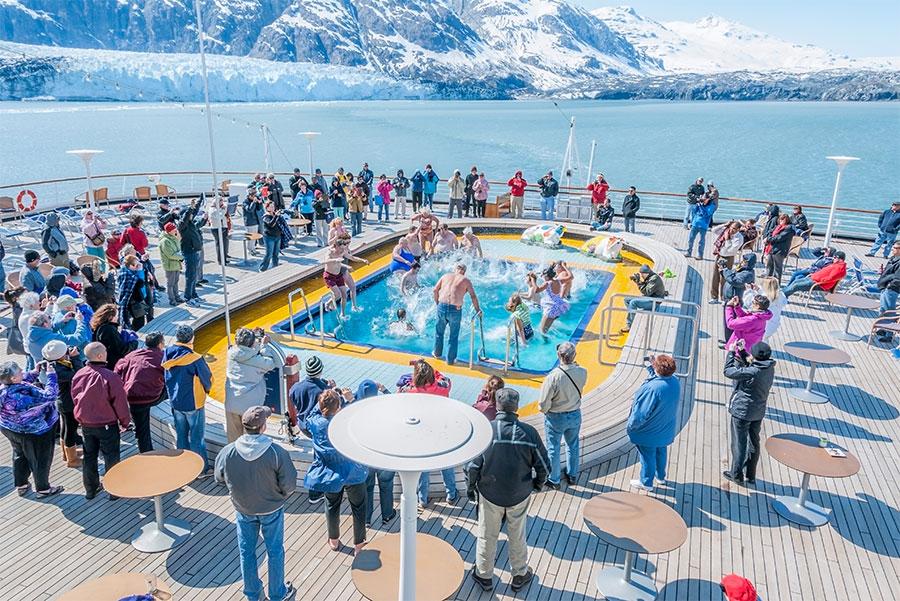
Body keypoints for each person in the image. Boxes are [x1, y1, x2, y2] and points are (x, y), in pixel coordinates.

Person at [467, 388, 547, 593]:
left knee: (487, 535)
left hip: (490, 493)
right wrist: (536, 485)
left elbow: (473, 467)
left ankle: (484, 575)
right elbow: (544, 467)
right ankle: (519, 574)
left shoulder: (487, 431)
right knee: (517, 535)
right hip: (519, 493)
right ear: (516, 407)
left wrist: (471, 489)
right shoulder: (529, 433)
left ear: (497, 405)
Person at [215, 406, 298, 601]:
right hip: (272, 509)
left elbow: (219, 478)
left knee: (247, 552)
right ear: (263, 427)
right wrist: (279, 495)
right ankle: (277, 594)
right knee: (275, 551)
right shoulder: (276, 452)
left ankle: (253, 594)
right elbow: (289, 484)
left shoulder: (228, 451)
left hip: (243, 509)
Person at [304, 389, 369, 555]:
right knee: (359, 508)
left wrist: (326, 395)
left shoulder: (316, 423)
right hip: (353, 472)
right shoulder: (344, 423)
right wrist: (350, 400)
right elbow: (359, 418)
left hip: (330, 474)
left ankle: (333, 540)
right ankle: (359, 545)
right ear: (338, 406)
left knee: (332, 506)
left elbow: (310, 414)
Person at [72, 342, 131, 500]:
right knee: (111, 456)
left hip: (85, 423)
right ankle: (114, 489)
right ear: (100, 356)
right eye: (105, 350)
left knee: (89, 456)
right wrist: (125, 422)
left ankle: (90, 489)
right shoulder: (110, 376)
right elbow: (120, 402)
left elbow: (75, 398)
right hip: (106, 424)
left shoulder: (79, 374)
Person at [398, 359, 458, 506]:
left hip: (420, 434)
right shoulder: (443, 387)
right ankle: (451, 494)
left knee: (423, 466)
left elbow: (398, 396)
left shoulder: (410, 391)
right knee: (446, 463)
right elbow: (444, 378)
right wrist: (428, 367)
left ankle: (422, 498)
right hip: (441, 430)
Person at [0, 360, 64, 498]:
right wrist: (51, 375)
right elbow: (50, 396)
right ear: (13, 378)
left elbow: (22, 383)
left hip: (9, 428)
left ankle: (21, 484)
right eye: (19, 371)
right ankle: (43, 489)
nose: (23, 371)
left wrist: (35, 372)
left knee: (19, 454)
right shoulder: (22, 396)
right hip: (34, 431)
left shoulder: (4, 387)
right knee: (41, 459)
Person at [163, 325, 213, 477]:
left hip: (176, 401)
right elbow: (208, 379)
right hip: (193, 403)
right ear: (192, 338)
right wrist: (207, 390)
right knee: (197, 438)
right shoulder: (195, 358)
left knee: (182, 435)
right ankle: (201, 469)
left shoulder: (167, 353)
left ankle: (183, 466)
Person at [722, 342, 775, 486]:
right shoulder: (769, 367)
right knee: (754, 442)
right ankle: (750, 474)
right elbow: (753, 364)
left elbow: (728, 372)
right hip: (758, 411)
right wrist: (742, 351)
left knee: (739, 444)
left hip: (742, 411)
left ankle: (736, 474)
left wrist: (732, 353)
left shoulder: (752, 371)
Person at [627, 354, 681, 491]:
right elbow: (660, 379)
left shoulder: (652, 390)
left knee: (647, 456)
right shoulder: (674, 382)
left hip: (649, 431)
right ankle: (660, 476)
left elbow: (640, 414)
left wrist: (631, 427)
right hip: (665, 428)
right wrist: (652, 367)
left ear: (658, 368)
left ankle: (646, 482)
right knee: (660, 451)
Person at [538, 342, 586, 488]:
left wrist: (546, 411)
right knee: (573, 445)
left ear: (559, 355)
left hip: (556, 417)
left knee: (554, 448)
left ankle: (554, 479)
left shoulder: (553, 377)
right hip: (575, 414)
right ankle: (572, 475)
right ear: (574, 356)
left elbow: (543, 403)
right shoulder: (583, 371)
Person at [349, 380, 397, 526]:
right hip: (385, 457)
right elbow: (397, 404)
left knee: (367, 488)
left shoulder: (355, 411)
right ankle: (387, 515)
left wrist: (351, 399)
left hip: (366, 458)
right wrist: (384, 389)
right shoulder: (384, 407)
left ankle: (367, 518)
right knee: (386, 486)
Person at [114, 331, 166, 453]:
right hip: (151, 397)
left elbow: (117, 370)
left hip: (131, 396)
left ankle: (146, 452)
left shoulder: (132, 355)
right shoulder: (162, 357)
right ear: (159, 344)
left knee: (141, 429)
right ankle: (147, 453)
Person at [225, 328, 278, 443]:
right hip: (249, 408)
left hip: (231, 403)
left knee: (233, 441)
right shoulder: (256, 361)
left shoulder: (231, 354)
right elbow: (270, 363)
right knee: (250, 442)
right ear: (252, 343)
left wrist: (256, 345)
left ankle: (233, 459)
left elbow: (245, 353)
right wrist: (264, 346)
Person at [41, 340, 83, 468]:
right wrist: (76, 358)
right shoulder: (59, 370)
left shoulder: (53, 364)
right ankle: (72, 459)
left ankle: (67, 453)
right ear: (60, 355)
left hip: (63, 402)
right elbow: (78, 374)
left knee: (65, 427)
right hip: (68, 403)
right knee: (70, 429)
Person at [433, 263, 482, 366]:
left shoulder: (445, 276)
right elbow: (473, 296)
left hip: (442, 306)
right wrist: (478, 310)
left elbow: (435, 290)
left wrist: (437, 303)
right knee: (453, 336)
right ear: (464, 271)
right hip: (455, 309)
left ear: (455, 269)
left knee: (439, 332)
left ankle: (437, 354)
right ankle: (450, 360)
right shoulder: (466, 280)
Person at [289, 356, 334, 441]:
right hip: (315, 428)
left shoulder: (295, 388)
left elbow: (294, 400)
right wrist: (331, 390)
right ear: (320, 370)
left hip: (302, 425)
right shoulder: (324, 392)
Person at [620, 265, 666, 334]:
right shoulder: (650, 276)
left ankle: (629, 325)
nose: (641, 276)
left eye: (642, 274)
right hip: (649, 298)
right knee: (627, 299)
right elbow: (646, 287)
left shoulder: (654, 279)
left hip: (654, 302)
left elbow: (647, 292)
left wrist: (638, 282)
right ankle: (633, 314)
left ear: (646, 273)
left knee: (633, 302)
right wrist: (636, 281)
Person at [782, 251, 847, 298]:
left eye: (835, 257)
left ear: (840, 259)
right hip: (813, 278)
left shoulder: (840, 269)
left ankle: (781, 297)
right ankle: (782, 293)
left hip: (818, 284)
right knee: (796, 281)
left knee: (796, 286)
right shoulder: (836, 265)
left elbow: (830, 278)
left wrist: (818, 280)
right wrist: (814, 276)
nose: (833, 258)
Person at [710, 221, 745, 303]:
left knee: (724, 279)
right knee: (715, 277)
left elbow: (731, 250)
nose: (732, 230)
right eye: (731, 227)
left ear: (738, 229)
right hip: (719, 255)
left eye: (734, 229)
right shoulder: (726, 231)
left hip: (728, 258)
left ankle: (723, 298)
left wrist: (727, 240)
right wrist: (724, 224)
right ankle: (714, 297)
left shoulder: (739, 238)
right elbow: (714, 230)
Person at [179, 199, 205, 305]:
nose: (192, 216)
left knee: (194, 275)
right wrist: (190, 208)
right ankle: (187, 297)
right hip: (189, 253)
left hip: (195, 252)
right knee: (190, 276)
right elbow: (187, 215)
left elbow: (194, 212)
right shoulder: (182, 225)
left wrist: (200, 200)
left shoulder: (191, 223)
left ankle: (194, 294)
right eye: (189, 215)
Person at [90, 303, 129, 370]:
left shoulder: (99, 326)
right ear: (110, 317)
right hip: (113, 365)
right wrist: (133, 342)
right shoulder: (109, 329)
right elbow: (121, 350)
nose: (118, 317)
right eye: (116, 315)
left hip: (104, 362)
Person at [534, 265, 569, 334]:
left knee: (542, 331)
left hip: (550, 308)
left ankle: (545, 343)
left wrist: (533, 280)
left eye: (543, 275)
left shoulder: (547, 283)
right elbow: (571, 277)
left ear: (547, 276)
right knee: (546, 329)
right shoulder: (558, 281)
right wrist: (565, 267)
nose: (542, 276)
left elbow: (536, 290)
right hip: (557, 307)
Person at [116, 255, 147, 330]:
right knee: (139, 321)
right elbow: (141, 283)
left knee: (137, 320)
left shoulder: (124, 271)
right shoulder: (129, 275)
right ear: (130, 265)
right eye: (135, 265)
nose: (137, 266)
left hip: (131, 301)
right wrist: (140, 271)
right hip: (133, 302)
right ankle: (135, 334)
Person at [159, 222, 185, 306]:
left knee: (176, 282)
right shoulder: (165, 241)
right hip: (170, 265)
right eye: (174, 229)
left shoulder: (173, 237)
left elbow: (178, 249)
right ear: (169, 231)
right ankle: (172, 300)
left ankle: (177, 297)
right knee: (170, 284)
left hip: (176, 264)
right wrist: (182, 257)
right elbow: (170, 255)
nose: (176, 230)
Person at [763, 214, 794, 283]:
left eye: (783, 219)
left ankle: (776, 286)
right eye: (780, 219)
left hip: (780, 250)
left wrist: (768, 239)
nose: (781, 221)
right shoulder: (778, 227)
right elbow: (770, 232)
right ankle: (767, 284)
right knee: (769, 267)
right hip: (772, 248)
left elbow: (779, 238)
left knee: (777, 269)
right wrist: (767, 237)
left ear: (787, 220)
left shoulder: (788, 229)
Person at [260, 201, 285, 272]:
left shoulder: (275, 214)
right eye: (271, 206)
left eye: (273, 206)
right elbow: (271, 224)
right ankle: (262, 269)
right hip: (269, 238)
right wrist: (276, 216)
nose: (273, 208)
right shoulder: (265, 216)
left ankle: (275, 267)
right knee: (269, 254)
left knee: (276, 254)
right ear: (267, 208)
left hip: (277, 236)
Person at [208, 195, 232, 264]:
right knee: (220, 245)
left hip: (223, 227)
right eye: (221, 201)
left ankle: (224, 257)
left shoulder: (220, 208)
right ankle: (221, 260)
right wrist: (224, 209)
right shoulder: (212, 209)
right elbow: (220, 216)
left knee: (225, 244)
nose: (222, 203)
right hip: (217, 229)